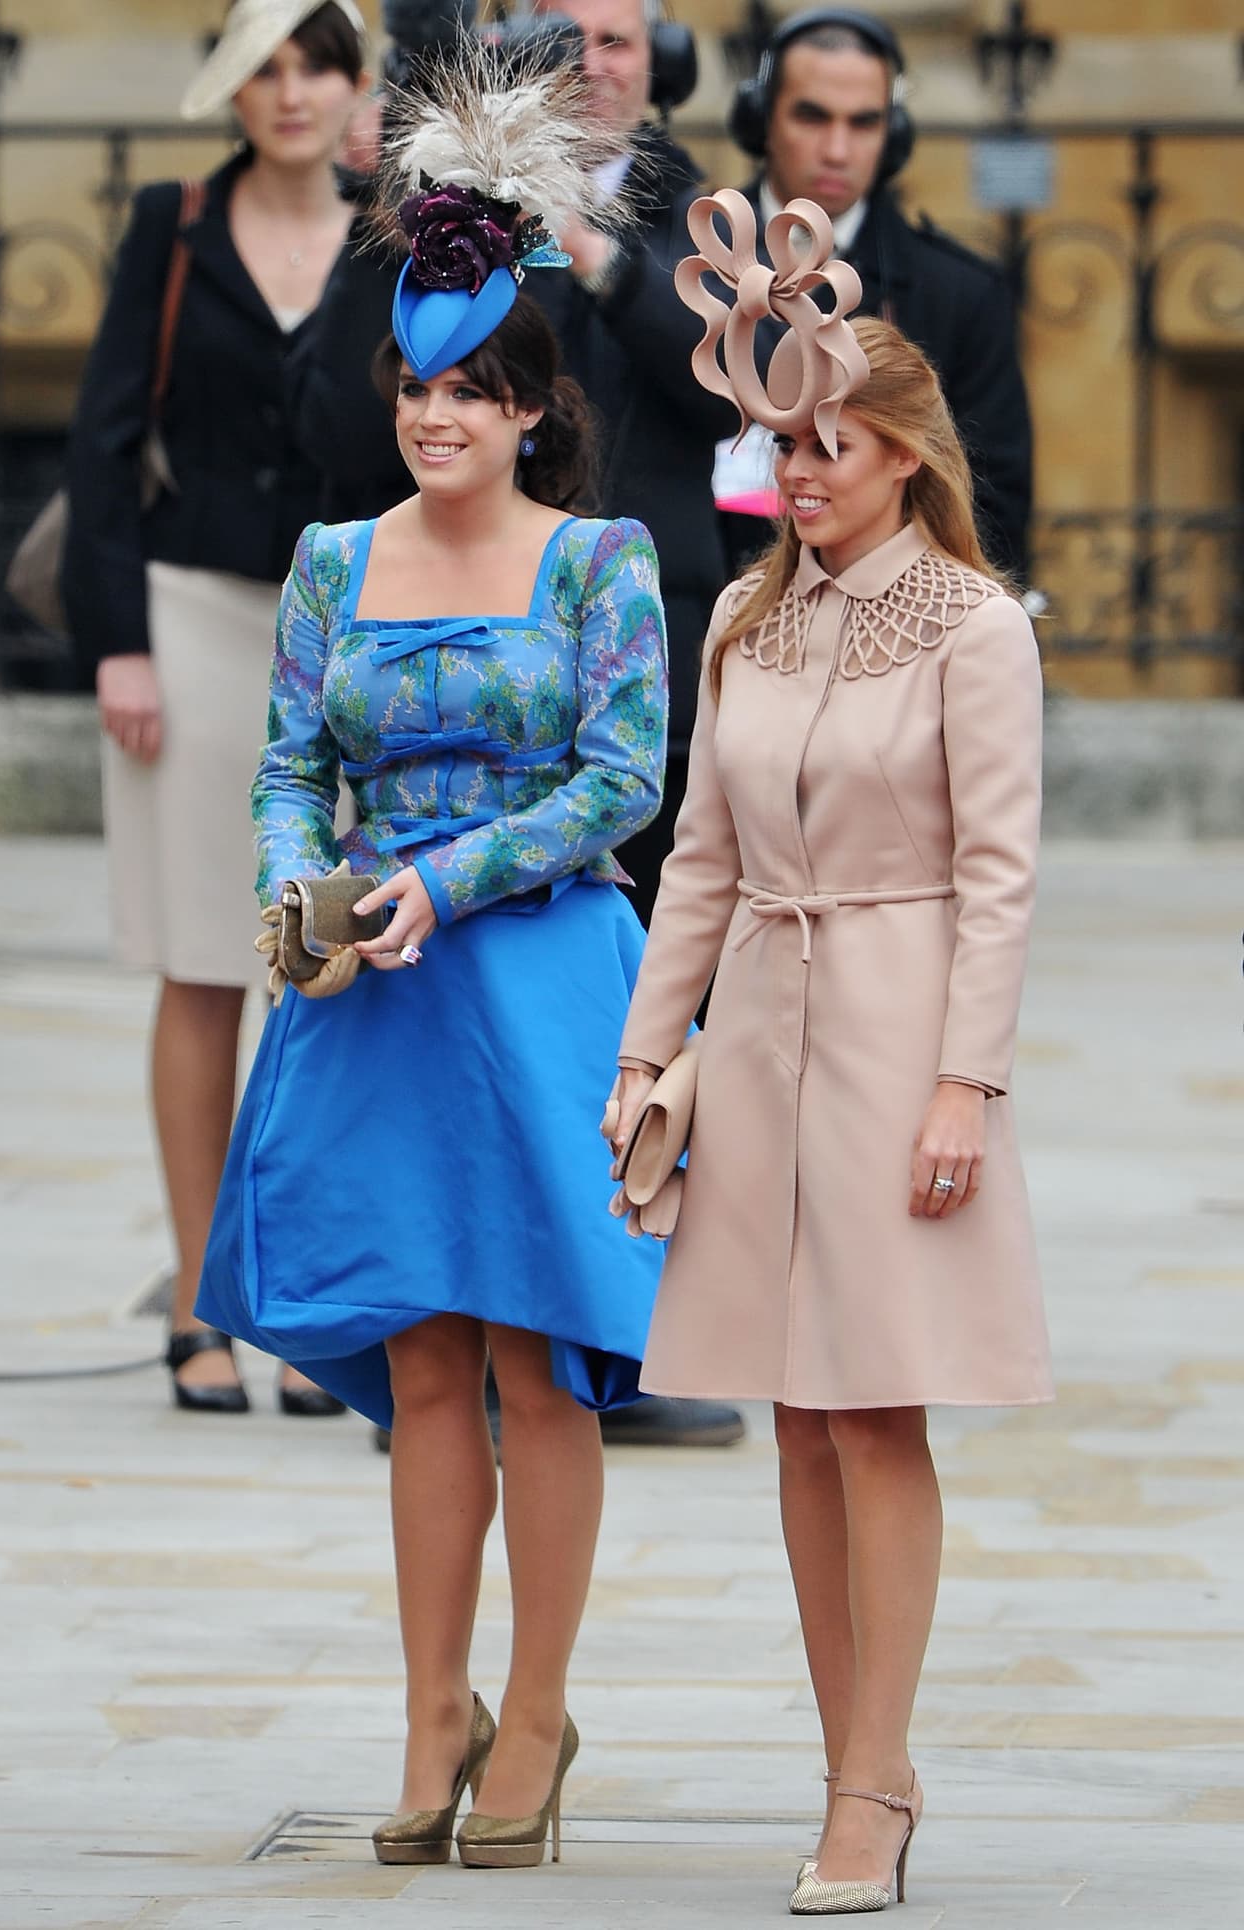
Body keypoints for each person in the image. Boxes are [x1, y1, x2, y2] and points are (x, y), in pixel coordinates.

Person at [196, 61, 670, 1868]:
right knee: (418, 1369)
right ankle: (430, 1713)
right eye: (416, 385)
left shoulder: (603, 567)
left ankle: (537, 1713)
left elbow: (623, 779)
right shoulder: (330, 563)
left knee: (543, 1363)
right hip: (373, 1001)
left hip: (541, 983)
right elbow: (291, 765)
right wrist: (293, 892)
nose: (436, 416)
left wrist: (448, 882)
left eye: (474, 389)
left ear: (537, 411)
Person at [609, 188, 1052, 1914]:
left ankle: (876, 1780)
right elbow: (700, 864)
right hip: (767, 1034)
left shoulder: (975, 625)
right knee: (791, 1421)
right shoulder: (738, 622)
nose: (799, 475)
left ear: (902, 456)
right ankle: (847, 1757)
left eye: (834, 447)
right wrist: (650, 1061)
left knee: (875, 1416)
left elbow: (1004, 877)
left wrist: (967, 1083)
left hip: (898, 1028)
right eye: (781, 443)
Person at [289, 0, 749, 1451]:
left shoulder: (685, 213)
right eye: (558, 34)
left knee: (655, 1016)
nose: (586, 62)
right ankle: (433, 1338)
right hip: (426, 718)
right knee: (429, 1258)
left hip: (625, 624)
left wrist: (587, 247)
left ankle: (632, 1316)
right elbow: (293, 760)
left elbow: (710, 377)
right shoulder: (432, 237)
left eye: (615, 37)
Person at [61, 0, 372, 1417]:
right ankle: (198, 1304)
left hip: (353, 636)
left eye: (319, 64)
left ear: (358, 87)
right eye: (268, 68)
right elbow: (105, 437)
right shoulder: (172, 226)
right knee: (202, 966)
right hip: (189, 622)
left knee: (324, 972)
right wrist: (116, 641)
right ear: (234, 91)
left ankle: (307, 1310)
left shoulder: (395, 231)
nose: (293, 91)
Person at [725, 8, 1033, 587]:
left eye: (864, 123)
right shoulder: (683, 265)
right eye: (812, 117)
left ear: (892, 137)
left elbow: (991, 504)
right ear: (761, 118)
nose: (837, 150)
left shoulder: (961, 294)